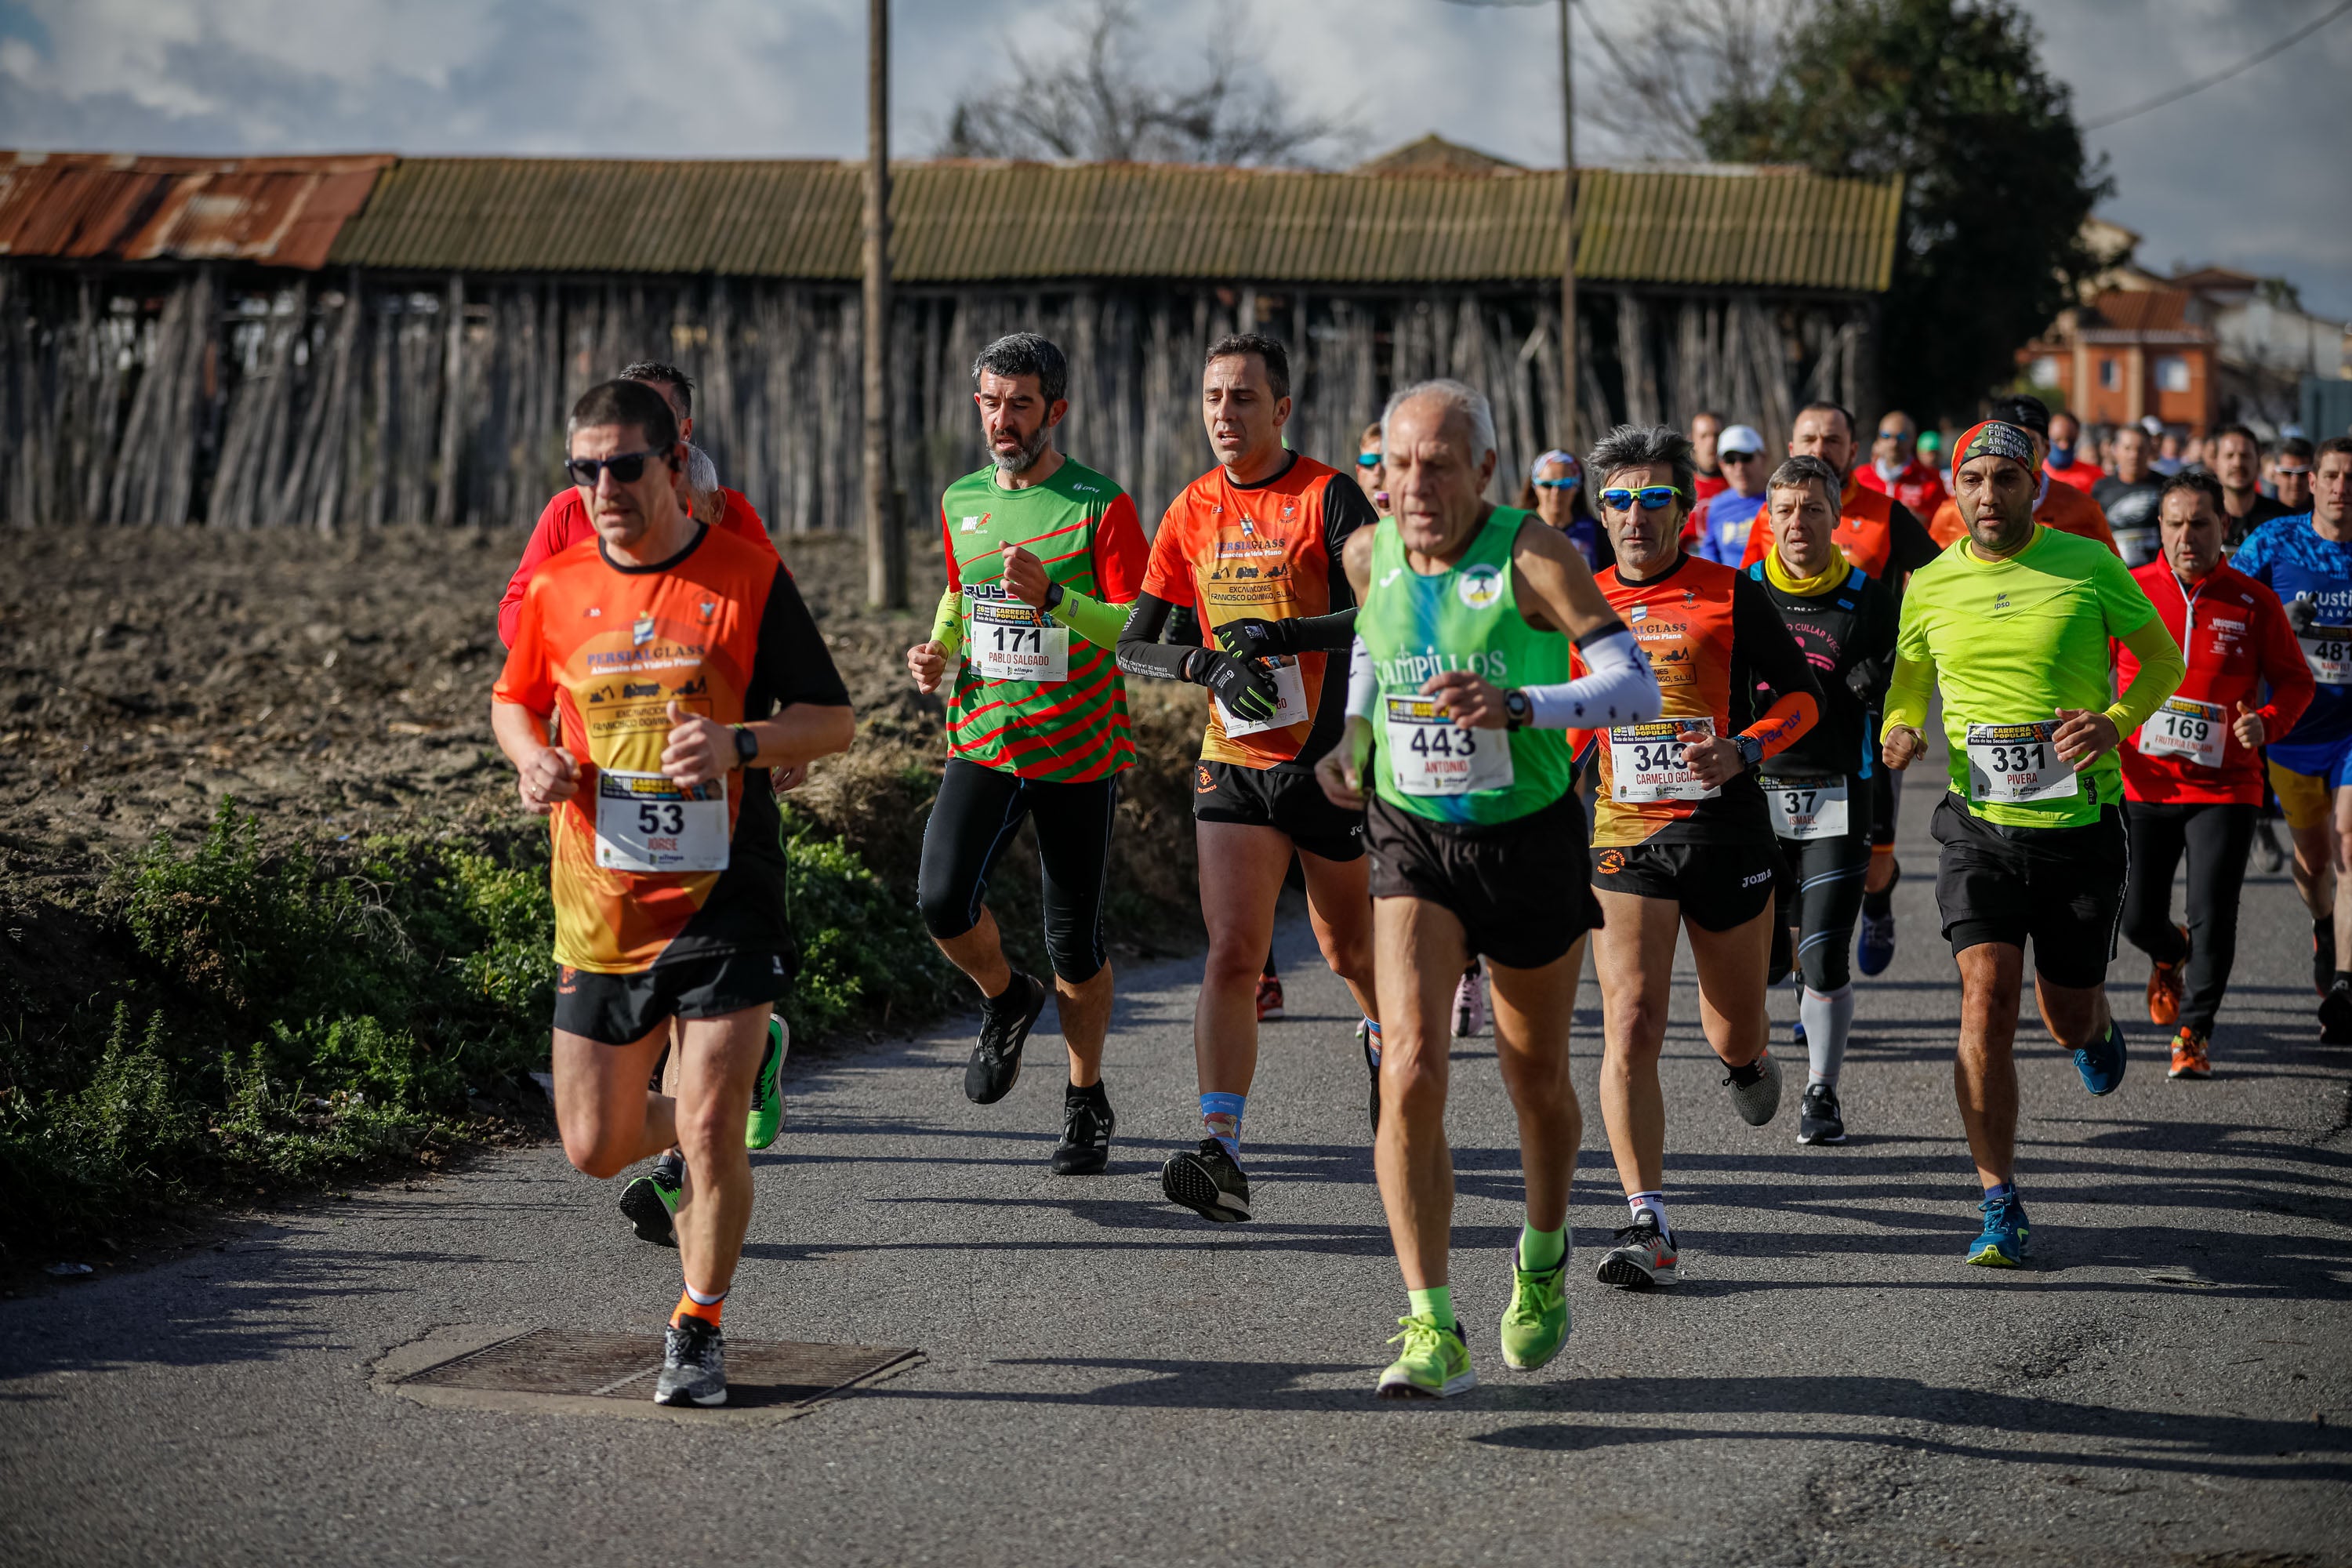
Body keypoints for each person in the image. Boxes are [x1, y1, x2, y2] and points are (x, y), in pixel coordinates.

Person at [492, 378, 855, 1405]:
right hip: (600, 897)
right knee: (594, 1144)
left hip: (726, 885)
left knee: (709, 1124)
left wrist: (742, 741)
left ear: (671, 465)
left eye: (623, 465)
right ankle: (708, 1106)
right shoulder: (558, 588)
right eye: (584, 469)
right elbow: (512, 703)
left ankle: (697, 1324)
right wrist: (531, 762)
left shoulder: (743, 575)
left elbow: (831, 720)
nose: (602, 486)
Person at [1314, 379, 1661, 1397]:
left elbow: (1633, 686)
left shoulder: (1532, 555)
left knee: (1535, 1081)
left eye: (1438, 465)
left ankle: (1542, 1256)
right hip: (1412, 833)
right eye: (1396, 465)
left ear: (1486, 472)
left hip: (1526, 840)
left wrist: (1520, 702)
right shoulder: (1369, 549)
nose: (1413, 486)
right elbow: (1376, 654)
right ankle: (1429, 1323)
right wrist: (1355, 736)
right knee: (1411, 1063)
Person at [1880, 419, 2184, 1268]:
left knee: (2065, 1013)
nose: (1987, 493)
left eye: (2005, 478)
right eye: (1972, 477)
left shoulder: (2086, 564)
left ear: (2034, 484)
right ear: (1953, 487)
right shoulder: (1932, 583)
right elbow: (1909, 686)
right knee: (1986, 999)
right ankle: (1997, 1197)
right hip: (1979, 826)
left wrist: (2114, 721)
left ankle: (2094, 1029)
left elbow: (2163, 659)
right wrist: (1901, 731)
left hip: (2080, 828)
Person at [1115, 333, 1381, 1221]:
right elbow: (1134, 643)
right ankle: (1221, 1146)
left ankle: (1387, 1033)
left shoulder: (1327, 494)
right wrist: (1204, 667)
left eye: (1241, 398)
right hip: (1232, 761)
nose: (1224, 414)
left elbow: (1379, 608)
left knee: (1347, 948)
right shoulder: (1190, 507)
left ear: (1282, 409)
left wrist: (1284, 638)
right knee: (1233, 951)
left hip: (1324, 763)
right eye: (1212, 398)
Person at [904, 332, 1148, 1172]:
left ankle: (1085, 1098)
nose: (1002, 420)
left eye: (1019, 404)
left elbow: (1140, 633)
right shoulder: (960, 496)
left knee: (1074, 940)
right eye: (990, 402)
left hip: (1075, 748)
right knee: (941, 900)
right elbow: (959, 587)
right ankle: (1008, 999)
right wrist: (939, 650)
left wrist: (1057, 597)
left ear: (1056, 410)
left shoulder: (1097, 506)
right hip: (983, 735)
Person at [1591, 425, 1824, 1288]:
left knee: (1734, 1022)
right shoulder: (1581, 599)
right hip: (1626, 836)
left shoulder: (1730, 590)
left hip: (1725, 829)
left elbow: (1807, 696)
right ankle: (1645, 1216)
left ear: (1685, 511)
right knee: (1633, 1020)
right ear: (1602, 512)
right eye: (1620, 499)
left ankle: (1746, 1059)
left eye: (1655, 498)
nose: (1636, 514)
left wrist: (1747, 749)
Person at [2117, 471, 2312, 1076]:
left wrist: (2269, 725)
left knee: (2213, 911)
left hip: (2226, 786)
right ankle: (2170, 953)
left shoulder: (2254, 600)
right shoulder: (2129, 590)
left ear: (2223, 528)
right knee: (2137, 918)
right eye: (2174, 524)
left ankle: (2194, 1033)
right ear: (2159, 530)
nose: (2186, 537)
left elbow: (2296, 682)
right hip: (2142, 781)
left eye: (2199, 524)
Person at [1743, 401, 1944, 982]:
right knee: (1793, 854)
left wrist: (1887, 663)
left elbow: (1932, 588)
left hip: (1866, 706)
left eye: (1831, 440)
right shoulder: (1778, 506)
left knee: (1873, 857)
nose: (1818, 449)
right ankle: (1815, 971)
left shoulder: (1886, 514)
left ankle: (1878, 903)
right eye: (1807, 438)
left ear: (1853, 452)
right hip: (1791, 709)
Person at [1748, 455, 1899, 1144]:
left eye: (1813, 509)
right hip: (1755, 798)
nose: (1798, 523)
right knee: (1769, 961)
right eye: (1785, 510)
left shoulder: (1869, 596)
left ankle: (1821, 1090)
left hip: (1840, 792)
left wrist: (1885, 683)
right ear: (1768, 518)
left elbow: (1909, 684)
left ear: (1838, 517)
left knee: (1824, 956)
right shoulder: (1743, 590)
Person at [497, 362, 782, 650]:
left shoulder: (724, 509)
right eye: (628, 416)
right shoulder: (569, 510)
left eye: (657, 418)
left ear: (685, 431)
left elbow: (781, 610)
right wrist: (587, 615)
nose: (640, 429)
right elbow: (512, 620)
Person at [2233, 436, 2352, 1036]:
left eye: (2350, 477)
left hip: (2351, 728)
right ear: (2312, 482)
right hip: (2293, 724)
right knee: (2314, 862)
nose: (2341, 488)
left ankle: (2348, 984)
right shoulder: (2275, 542)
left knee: (2351, 844)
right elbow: (2224, 603)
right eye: (2331, 476)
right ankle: (2327, 926)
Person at [1926, 396, 2118, 554]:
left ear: (2046, 448)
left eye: (2028, 441)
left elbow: (2112, 578)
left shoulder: (2082, 508)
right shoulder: (1951, 513)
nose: (2013, 453)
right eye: (2002, 442)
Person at [1685, 423, 1770, 564]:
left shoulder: (1782, 499)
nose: (1739, 467)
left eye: (1746, 458)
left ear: (1763, 458)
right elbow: (1709, 556)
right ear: (1721, 465)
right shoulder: (1717, 505)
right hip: (1731, 585)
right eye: (1730, 460)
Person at [1518, 448, 1613, 575]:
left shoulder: (1598, 533)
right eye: (1547, 485)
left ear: (1577, 486)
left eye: (1565, 484)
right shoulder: (1519, 531)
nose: (1556, 492)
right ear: (1534, 486)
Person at [1857, 409, 1949, 520]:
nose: (1894, 443)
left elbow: (1945, 523)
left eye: (1901, 437)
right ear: (1878, 438)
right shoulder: (1859, 477)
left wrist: (1923, 520)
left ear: (1914, 439)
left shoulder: (1931, 479)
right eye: (1886, 436)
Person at [2096, 424, 2168, 568]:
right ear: (2115, 450)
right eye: (2128, 448)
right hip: (2114, 575)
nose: (2134, 455)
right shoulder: (2101, 489)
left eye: (2140, 449)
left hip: (2155, 574)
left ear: (2150, 451)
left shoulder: (2167, 487)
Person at [2212, 424, 2293, 550]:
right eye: (2229, 456)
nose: (2237, 463)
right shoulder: (2202, 520)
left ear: (2258, 464)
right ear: (2216, 464)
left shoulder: (2283, 521)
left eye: (2245, 456)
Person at [2043, 411, 2100, 495]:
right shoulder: (2033, 475)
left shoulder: (2096, 476)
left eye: (2069, 440)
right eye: (2058, 440)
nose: (2064, 446)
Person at [1690, 410, 1730, 501]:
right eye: (1704, 436)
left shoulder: (1742, 486)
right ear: (1692, 441)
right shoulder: (1683, 490)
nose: (1711, 442)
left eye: (1716, 435)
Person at [2273, 437, 2318, 516]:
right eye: (2287, 473)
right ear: (2275, 475)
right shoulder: (2260, 513)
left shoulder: (2323, 515)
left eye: (2303, 473)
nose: (2295, 481)